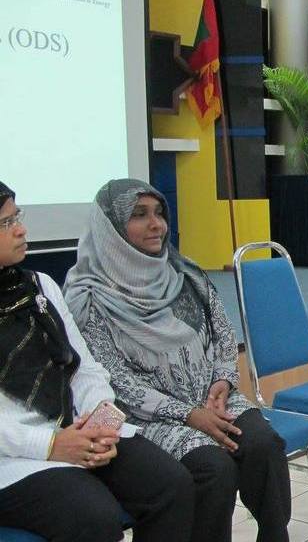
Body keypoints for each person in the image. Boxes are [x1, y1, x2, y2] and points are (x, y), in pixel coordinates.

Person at [63, 179, 291, 542]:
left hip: (212, 399)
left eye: (159, 213)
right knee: (214, 469)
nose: (156, 224)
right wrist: (188, 414)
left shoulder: (186, 274)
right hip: (147, 416)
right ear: (110, 229)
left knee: (264, 446)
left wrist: (223, 381)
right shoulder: (89, 298)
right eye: (140, 215)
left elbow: (223, 334)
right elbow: (115, 380)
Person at [0, 181, 194, 542]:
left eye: (18, 217)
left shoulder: (40, 287)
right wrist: (49, 445)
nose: (21, 230)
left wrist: (101, 420)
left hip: (76, 428)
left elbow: (82, 367)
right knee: (94, 517)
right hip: (12, 457)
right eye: (6, 223)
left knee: (172, 485)